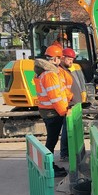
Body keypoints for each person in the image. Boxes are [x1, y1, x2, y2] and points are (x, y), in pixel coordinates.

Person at [34, 45, 68, 177]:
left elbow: (60, 92)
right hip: (52, 111)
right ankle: (48, 166)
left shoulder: (45, 72)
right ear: (55, 59)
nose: (60, 61)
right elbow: (55, 96)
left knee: (52, 139)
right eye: (60, 58)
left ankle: (48, 164)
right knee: (52, 140)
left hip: (49, 111)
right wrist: (63, 111)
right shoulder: (50, 74)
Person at [58, 48, 84, 161]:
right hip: (68, 105)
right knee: (67, 131)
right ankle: (65, 154)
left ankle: (68, 153)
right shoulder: (60, 71)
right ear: (62, 58)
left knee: (70, 130)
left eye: (72, 59)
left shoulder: (66, 70)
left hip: (73, 104)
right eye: (69, 59)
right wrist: (70, 101)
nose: (71, 62)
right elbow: (63, 90)